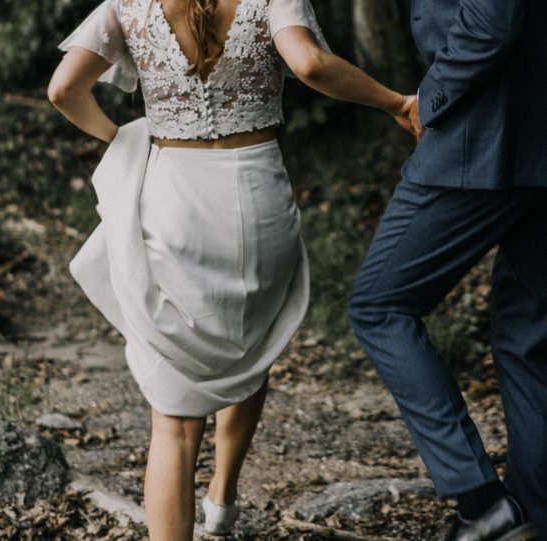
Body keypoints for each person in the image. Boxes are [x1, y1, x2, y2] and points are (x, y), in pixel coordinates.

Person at [48, 0, 415, 538]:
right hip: (258, 201)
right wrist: (395, 102)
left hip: (175, 201)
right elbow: (310, 65)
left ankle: (209, 506)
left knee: (173, 425)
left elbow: (63, 90)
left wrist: (122, 140)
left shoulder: (127, 5)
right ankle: (222, 496)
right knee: (251, 344)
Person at [348, 0, 547, 540]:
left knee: (379, 305)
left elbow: (494, 23)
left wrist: (432, 101)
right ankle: (533, 518)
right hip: (534, 136)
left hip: (481, 136)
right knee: (528, 337)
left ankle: (482, 500)